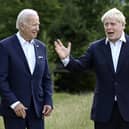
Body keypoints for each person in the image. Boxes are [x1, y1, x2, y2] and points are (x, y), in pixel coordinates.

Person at [54, 8, 129, 129]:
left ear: (122, 25)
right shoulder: (95, 48)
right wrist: (66, 59)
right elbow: (79, 66)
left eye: (112, 24)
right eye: (106, 24)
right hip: (103, 112)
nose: (109, 27)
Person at [0, 9, 53, 129]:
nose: (38, 28)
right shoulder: (4, 46)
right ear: (22, 26)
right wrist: (14, 103)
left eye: (38, 24)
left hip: (37, 111)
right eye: (34, 24)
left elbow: (46, 78)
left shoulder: (41, 47)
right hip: (14, 111)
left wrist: (48, 101)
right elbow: (1, 79)